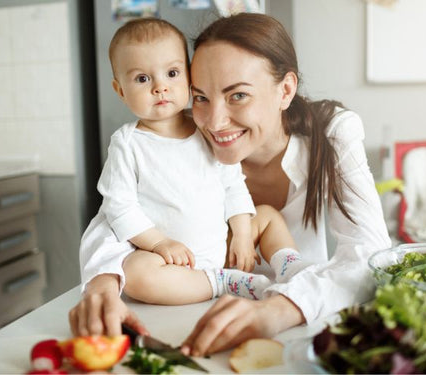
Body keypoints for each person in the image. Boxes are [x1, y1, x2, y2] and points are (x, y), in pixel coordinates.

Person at [69, 13, 391, 355]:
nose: (215, 122)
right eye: (201, 97)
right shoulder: (178, 137)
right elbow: (114, 214)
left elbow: (371, 255)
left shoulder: (333, 131)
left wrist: (278, 309)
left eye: (237, 95)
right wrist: (101, 285)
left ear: (285, 90)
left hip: (304, 320)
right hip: (193, 312)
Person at [81, 17, 307, 310]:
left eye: (172, 73)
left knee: (266, 216)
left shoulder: (205, 128)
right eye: (142, 79)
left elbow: (232, 183)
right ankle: (221, 282)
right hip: (175, 260)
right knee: (135, 274)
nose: (160, 87)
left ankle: (291, 269)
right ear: (120, 90)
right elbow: (119, 208)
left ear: (188, 77)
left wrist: (240, 230)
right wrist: (159, 244)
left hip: (223, 246)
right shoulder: (127, 144)